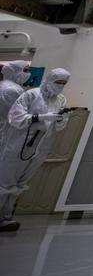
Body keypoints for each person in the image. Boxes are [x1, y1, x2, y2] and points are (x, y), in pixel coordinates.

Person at [0, 67, 71, 231]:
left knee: (19, 184)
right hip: (17, 146)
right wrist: (41, 117)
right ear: (49, 79)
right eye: (58, 82)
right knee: (5, 182)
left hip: (39, 149)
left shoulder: (60, 100)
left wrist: (60, 119)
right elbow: (15, 117)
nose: (60, 86)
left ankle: (6, 217)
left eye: (63, 83)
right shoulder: (31, 95)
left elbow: (60, 126)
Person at [0, 60, 30, 126]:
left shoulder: (3, 85)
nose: (28, 74)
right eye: (25, 70)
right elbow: (22, 113)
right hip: (9, 127)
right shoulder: (13, 89)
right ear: (14, 72)